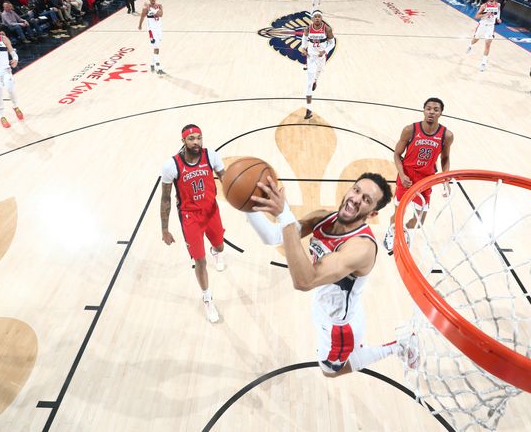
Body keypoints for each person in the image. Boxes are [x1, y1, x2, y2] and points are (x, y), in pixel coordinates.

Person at [247, 172, 419, 376]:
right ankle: (375, 347)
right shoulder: (323, 218)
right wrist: (247, 206)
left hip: (339, 326)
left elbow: (304, 281)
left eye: (366, 200)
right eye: (356, 190)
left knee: (330, 371)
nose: (356, 199)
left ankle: (399, 347)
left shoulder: (361, 247)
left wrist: (285, 215)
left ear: (372, 214)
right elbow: (274, 236)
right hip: (327, 305)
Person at [160, 125, 227, 323]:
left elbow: (226, 179)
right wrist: (164, 228)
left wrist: (241, 194)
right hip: (190, 217)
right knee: (200, 260)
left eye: (199, 138)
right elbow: (165, 199)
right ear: (183, 141)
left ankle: (216, 251)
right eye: (191, 139)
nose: (196, 142)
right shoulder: (171, 165)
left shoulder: (211, 156)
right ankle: (207, 298)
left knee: (220, 246)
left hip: (212, 210)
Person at [383, 97, 454, 252]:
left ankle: (404, 232)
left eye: (436, 109)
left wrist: (445, 180)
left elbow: (446, 158)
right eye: (428, 108)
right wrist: (401, 175)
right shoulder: (410, 130)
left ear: (441, 113)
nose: (431, 112)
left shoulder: (446, 135)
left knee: (419, 221)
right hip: (407, 176)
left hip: (426, 180)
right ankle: (392, 232)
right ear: (423, 110)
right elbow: (397, 155)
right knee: (398, 213)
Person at [298, 10, 335, 120]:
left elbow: (332, 43)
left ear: (321, 18)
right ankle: (308, 109)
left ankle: (315, 80)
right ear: (312, 19)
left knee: (318, 74)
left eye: (319, 16)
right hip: (311, 58)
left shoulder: (327, 29)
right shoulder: (308, 28)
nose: (317, 18)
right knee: (308, 84)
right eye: (315, 17)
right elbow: (304, 39)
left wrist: (325, 51)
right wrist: (304, 48)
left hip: (321, 57)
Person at [466, 0, 501, 71]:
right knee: (476, 39)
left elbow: (498, 12)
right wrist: (485, 14)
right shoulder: (484, 6)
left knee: (487, 44)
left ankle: (483, 63)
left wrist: (498, 18)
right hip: (482, 25)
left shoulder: (498, 5)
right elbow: (477, 16)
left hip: (491, 26)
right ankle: (470, 45)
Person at [139, 0, 163, 75]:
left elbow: (160, 14)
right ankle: (158, 67)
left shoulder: (159, 6)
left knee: (156, 47)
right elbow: (142, 16)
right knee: (156, 48)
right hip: (152, 31)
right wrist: (140, 25)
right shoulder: (145, 8)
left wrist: (151, 9)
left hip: (159, 30)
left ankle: (152, 64)